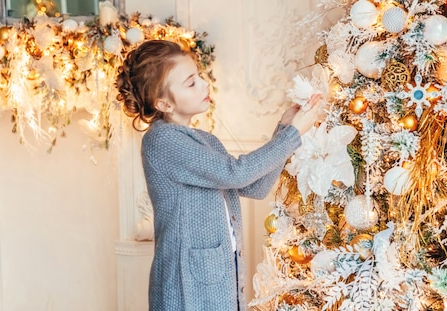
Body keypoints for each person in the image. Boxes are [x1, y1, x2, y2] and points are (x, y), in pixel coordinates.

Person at [115, 40, 321, 311]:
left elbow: (254, 186)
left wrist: (284, 130)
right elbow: (235, 174)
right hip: (185, 281)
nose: (203, 84)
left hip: (221, 271)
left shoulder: (206, 140)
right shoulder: (162, 140)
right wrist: (293, 135)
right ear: (163, 102)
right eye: (190, 83)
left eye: (199, 76)